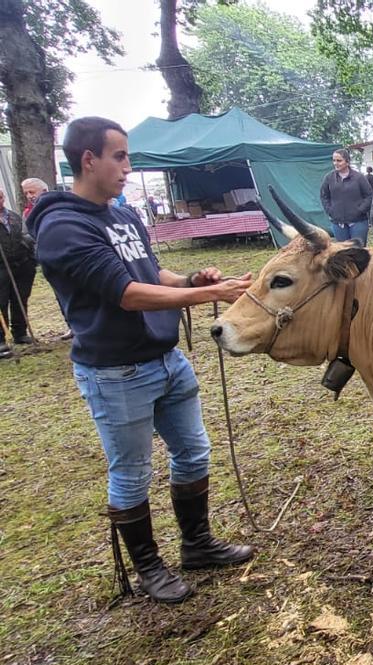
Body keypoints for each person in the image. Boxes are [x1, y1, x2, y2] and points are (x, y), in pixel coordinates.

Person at [31, 117, 254, 603]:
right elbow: (127, 294)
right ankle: (148, 567)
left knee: (193, 452)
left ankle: (196, 544)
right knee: (131, 472)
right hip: (116, 371)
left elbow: (150, 272)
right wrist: (212, 295)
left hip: (165, 358)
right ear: (88, 160)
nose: (128, 168)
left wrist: (193, 279)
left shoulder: (123, 215)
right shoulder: (62, 226)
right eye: (120, 157)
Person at [0, 191, 37, 358]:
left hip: (21, 264)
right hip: (1, 267)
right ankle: (1, 339)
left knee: (20, 298)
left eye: (0, 197)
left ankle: (20, 332)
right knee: (1, 303)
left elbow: (25, 235)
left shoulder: (14, 217)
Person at [320, 148, 372, 244]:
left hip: (358, 222)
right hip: (338, 223)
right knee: (343, 253)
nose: (336, 163)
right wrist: (330, 211)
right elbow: (324, 196)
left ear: (347, 162)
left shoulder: (359, 177)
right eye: (334, 160)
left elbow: (369, 196)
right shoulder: (329, 178)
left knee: (358, 252)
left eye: (339, 160)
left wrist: (360, 210)